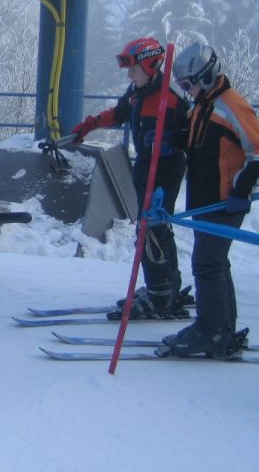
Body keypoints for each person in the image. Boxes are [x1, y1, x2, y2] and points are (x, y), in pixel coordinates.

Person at [160, 41, 259, 358]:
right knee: (215, 264)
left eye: (187, 85)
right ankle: (221, 328)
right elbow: (200, 143)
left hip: (224, 201)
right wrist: (175, 141)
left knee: (206, 264)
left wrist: (241, 191)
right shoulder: (203, 105)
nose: (187, 92)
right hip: (204, 200)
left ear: (204, 78)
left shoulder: (231, 104)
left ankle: (212, 331)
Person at [71, 37, 190, 319]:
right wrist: (90, 124)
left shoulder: (169, 101)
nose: (129, 74)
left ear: (151, 66)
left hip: (164, 171)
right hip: (146, 166)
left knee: (151, 230)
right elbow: (120, 113)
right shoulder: (137, 93)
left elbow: (191, 138)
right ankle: (167, 285)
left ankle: (160, 296)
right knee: (154, 228)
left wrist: (171, 143)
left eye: (133, 69)